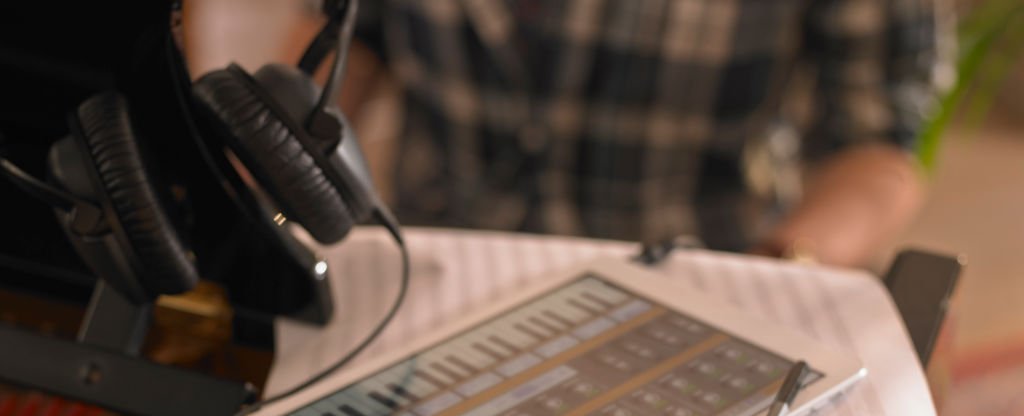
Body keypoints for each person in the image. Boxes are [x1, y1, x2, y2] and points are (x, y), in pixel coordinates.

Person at [308, 0, 954, 267]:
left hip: (690, 284)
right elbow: (349, 45)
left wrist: (778, 272)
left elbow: (878, 149)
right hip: (430, 274)